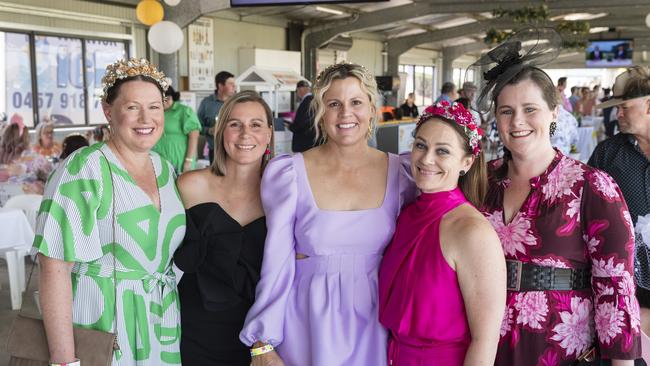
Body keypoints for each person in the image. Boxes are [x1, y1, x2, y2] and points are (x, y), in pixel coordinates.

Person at [240, 62, 415, 366]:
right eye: (334, 104)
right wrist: (262, 342)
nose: (346, 113)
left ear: (373, 108)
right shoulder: (290, 173)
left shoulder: (401, 173)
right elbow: (277, 262)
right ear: (320, 111)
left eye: (356, 102)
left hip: (378, 323)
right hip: (307, 320)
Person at [478, 47, 640, 365]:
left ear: (554, 112)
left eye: (530, 109)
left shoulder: (591, 186)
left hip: (560, 350)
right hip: (483, 346)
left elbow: (616, 289)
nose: (517, 121)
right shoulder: (480, 182)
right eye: (506, 111)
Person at [34, 58, 186, 365]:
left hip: (160, 321)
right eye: (132, 107)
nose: (146, 117)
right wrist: (65, 361)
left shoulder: (165, 169)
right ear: (108, 111)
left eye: (155, 107)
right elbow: (54, 267)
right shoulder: (84, 168)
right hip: (102, 322)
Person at [379, 101, 505, 365]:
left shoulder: (472, 231)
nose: (426, 159)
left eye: (442, 151)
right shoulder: (406, 214)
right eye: (421, 145)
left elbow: (486, 339)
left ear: (466, 162)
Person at [174, 91, 273, 365]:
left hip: (261, 335)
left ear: (269, 134)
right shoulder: (190, 185)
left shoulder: (282, 193)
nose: (245, 134)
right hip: (196, 328)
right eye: (234, 124)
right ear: (220, 131)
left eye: (255, 124)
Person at [589, 66, 650, 341]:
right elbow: (586, 216)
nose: (618, 114)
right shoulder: (607, 154)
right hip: (625, 291)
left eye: (624, 106)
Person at [0, 115, 52, 197]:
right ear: (26, 138)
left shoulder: (3, 157)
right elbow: (50, 175)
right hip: (27, 203)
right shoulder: (35, 159)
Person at [152, 86, 201, 174]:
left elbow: (194, 136)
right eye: (162, 99)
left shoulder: (184, 111)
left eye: (168, 99)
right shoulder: (154, 112)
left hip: (180, 160)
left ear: (173, 97)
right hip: (158, 159)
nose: (165, 102)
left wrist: (188, 161)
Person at [198, 71, 236, 163]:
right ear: (220, 86)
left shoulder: (237, 103)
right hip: (214, 151)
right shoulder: (206, 103)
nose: (234, 87)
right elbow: (197, 127)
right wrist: (210, 130)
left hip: (236, 150)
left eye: (234, 84)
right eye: (231, 84)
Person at [289, 80, 319, 152]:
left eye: (297, 90)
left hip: (305, 143)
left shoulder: (306, 102)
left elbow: (302, 122)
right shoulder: (314, 100)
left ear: (300, 89)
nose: (297, 93)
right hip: (312, 142)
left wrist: (291, 126)